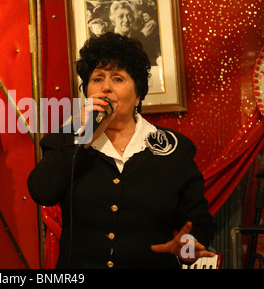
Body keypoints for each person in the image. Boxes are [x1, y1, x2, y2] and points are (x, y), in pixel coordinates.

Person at [27, 32, 215, 269]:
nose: (106, 87)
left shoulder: (173, 148)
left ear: (138, 95)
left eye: (117, 79)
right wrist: (84, 137)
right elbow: (42, 191)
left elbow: (198, 221)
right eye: (97, 79)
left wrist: (187, 246)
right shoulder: (65, 139)